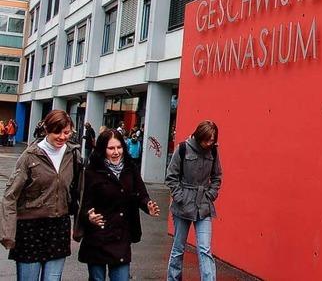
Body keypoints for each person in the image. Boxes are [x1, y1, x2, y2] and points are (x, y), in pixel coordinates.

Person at [0, 109, 81, 281]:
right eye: (56, 132)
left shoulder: (73, 154)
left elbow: (81, 192)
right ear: (46, 130)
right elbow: (10, 196)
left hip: (59, 226)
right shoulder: (29, 156)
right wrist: (8, 232)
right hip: (30, 229)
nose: (62, 137)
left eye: (66, 132)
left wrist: (80, 227)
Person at [77, 129, 160, 281]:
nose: (116, 152)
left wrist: (147, 205)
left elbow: (140, 193)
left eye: (119, 147)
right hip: (97, 236)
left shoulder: (130, 168)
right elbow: (84, 202)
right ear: (102, 149)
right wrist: (89, 215)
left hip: (121, 234)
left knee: (122, 277)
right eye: (111, 148)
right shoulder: (92, 171)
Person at [165, 120, 222, 281]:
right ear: (199, 136)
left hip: (203, 205)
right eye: (207, 139)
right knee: (178, 248)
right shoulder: (183, 148)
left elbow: (217, 176)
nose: (210, 143)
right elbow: (171, 177)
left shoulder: (214, 152)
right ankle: (173, 278)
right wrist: (180, 197)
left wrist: (211, 194)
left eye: (213, 139)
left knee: (205, 249)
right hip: (183, 204)